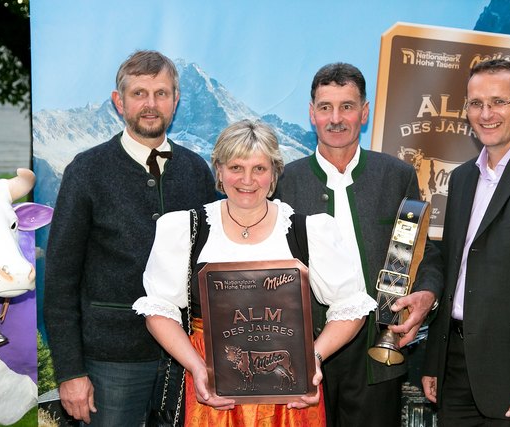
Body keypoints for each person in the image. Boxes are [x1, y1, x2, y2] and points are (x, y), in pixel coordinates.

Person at [133, 119, 377, 426]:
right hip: (211, 388)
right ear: (219, 170)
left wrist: (310, 360)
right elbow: (160, 310)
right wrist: (197, 368)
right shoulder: (186, 229)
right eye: (236, 167)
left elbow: (350, 306)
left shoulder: (307, 230)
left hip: (289, 397)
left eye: (259, 169)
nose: (247, 180)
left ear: (274, 172)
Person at [43, 50, 216, 426]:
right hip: (109, 362)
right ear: (118, 102)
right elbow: (60, 281)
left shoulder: (196, 170)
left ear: (176, 100)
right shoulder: (86, 171)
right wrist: (70, 372)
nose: (150, 105)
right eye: (139, 93)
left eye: (161, 93)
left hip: (186, 358)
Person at [275, 62, 444, 427]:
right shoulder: (285, 181)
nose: (336, 119)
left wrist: (427, 294)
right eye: (325, 107)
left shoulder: (396, 175)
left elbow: (422, 253)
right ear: (311, 113)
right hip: (305, 349)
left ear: (364, 113)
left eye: (347, 106)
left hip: (377, 347)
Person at [422, 59, 510, 426]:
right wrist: (435, 360)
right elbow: (453, 271)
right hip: (455, 373)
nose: (485, 114)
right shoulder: (464, 178)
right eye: (476, 103)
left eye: (498, 102)